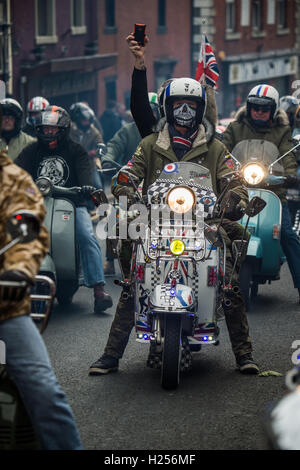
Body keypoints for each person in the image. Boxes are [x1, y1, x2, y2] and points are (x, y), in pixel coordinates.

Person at [89, 77, 259, 377]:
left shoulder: (215, 147)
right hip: (157, 220)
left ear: (200, 109)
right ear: (167, 108)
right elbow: (129, 172)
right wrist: (125, 186)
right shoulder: (151, 144)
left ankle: (244, 354)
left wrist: (236, 196)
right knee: (132, 281)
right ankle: (110, 355)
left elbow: (233, 178)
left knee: (228, 278)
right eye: (178, 104)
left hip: (205, 222)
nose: (184, 109)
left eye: (191, 104)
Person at [0, 104, 83, 449]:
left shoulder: (9, 178)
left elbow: (28, 228)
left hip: (4, 305)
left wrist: (18, 270)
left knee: (45, 393)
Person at [14, 105, 113, 313]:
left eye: (53, 128)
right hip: (37, 205)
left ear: (63, 129)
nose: (48, 132)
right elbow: (16, 169)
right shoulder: (31, 150)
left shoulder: (76, 150)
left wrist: (86, 187)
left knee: (86, 235)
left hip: (73, 204)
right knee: (16, 234)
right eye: (44, 128)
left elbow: (85, 173)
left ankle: (98, 289)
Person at [223, 84, 300, 303]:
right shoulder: (235, 128)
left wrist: (291, 175)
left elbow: (288, 155)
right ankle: (212, 278)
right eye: (254, 107)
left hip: (273, 192)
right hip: (238, 190)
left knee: (287, 233)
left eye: (264, 108)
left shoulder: (282, 131)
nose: (259, 111)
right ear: (248, 107)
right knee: (217, 227)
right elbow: (223, 151)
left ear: (273, 110)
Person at [101, 92, 159, 275]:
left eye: (152, 110)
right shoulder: (127, 130)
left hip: (158, 184)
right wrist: (108, 158)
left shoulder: (164, 132)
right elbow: (114, 144)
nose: (148, 113)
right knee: (115, 214)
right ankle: (111, 259)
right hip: (131, 182)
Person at [69, 102, 104, 219]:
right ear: (78, 120)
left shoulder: (93, 131)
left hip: (90, 166)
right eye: (84, 120)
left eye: (88, 120)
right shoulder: (69, 130)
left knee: (97, 186)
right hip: (73, 166)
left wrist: (97, 150)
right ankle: (85, 208)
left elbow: (100, 143)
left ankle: (102, 211)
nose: (87, 123)